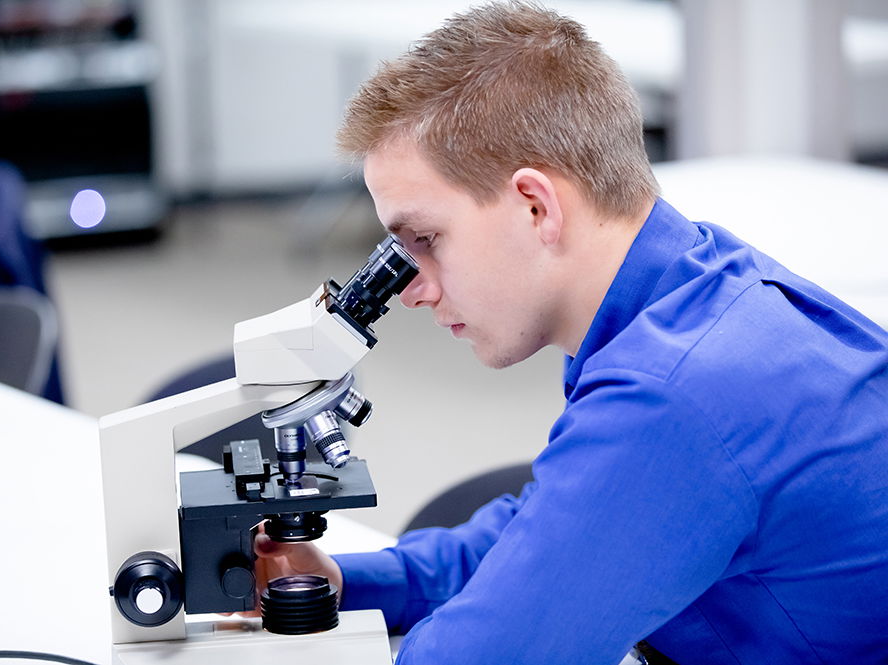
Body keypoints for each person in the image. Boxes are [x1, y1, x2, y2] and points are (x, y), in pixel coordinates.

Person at [254, 3, 888, 663]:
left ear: (536, 205)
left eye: (426, 239)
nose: (413, 288)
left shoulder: (675, 393)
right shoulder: (691, 290)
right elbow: (548, 536)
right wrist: (345, 579)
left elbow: (483, 653)